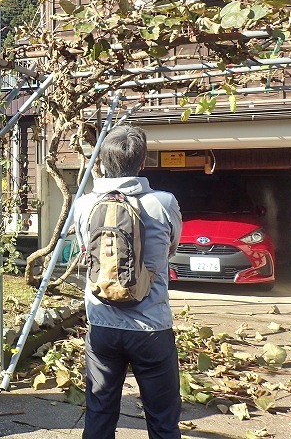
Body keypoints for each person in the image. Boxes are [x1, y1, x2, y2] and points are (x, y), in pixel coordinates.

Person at [73, 125, 183, 439]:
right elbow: (171, 249)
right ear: (143, 162)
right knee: (162, 421)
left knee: (99, 414)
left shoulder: (84, 205)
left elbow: (86, 249)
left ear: (103, 162)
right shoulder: (163, 202)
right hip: (151, 327)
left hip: (102, 325)